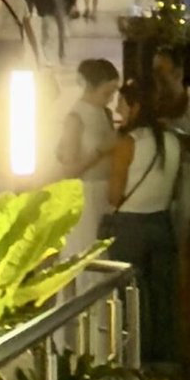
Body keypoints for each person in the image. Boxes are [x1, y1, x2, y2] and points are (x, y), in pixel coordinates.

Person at [108, 80, 184, 380]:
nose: (118, 110)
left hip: (130, 227)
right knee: (163, 296)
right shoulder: (173, 141)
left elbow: (114, 195)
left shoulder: (128, 143)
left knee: (131, 297)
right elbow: (175, 189)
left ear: (136, 107)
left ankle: (136, 365)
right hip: (162, 223)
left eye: (122, 104)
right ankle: (165, 363)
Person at [56, 58, 121, 253]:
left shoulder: (106, 114)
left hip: (106, 191)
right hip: (87, 193)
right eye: (107, 93)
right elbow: (69, 170)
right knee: (87, 250)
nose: (111, 99)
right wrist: (101, 151)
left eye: (113, 93)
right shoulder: (75, 118)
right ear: (91, 87)